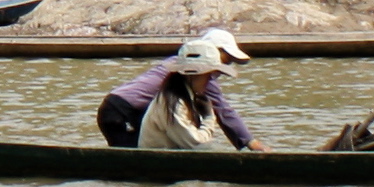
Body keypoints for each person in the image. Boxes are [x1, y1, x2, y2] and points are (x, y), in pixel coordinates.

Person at [100, 32, 261, 151]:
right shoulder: (192, 73)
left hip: (117, 106)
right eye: (226, 59)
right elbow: (223, 111)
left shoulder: (179, 68)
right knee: (138, 152)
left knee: (165, 138)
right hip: (121, 111)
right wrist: (251, 143)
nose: (217, 73)